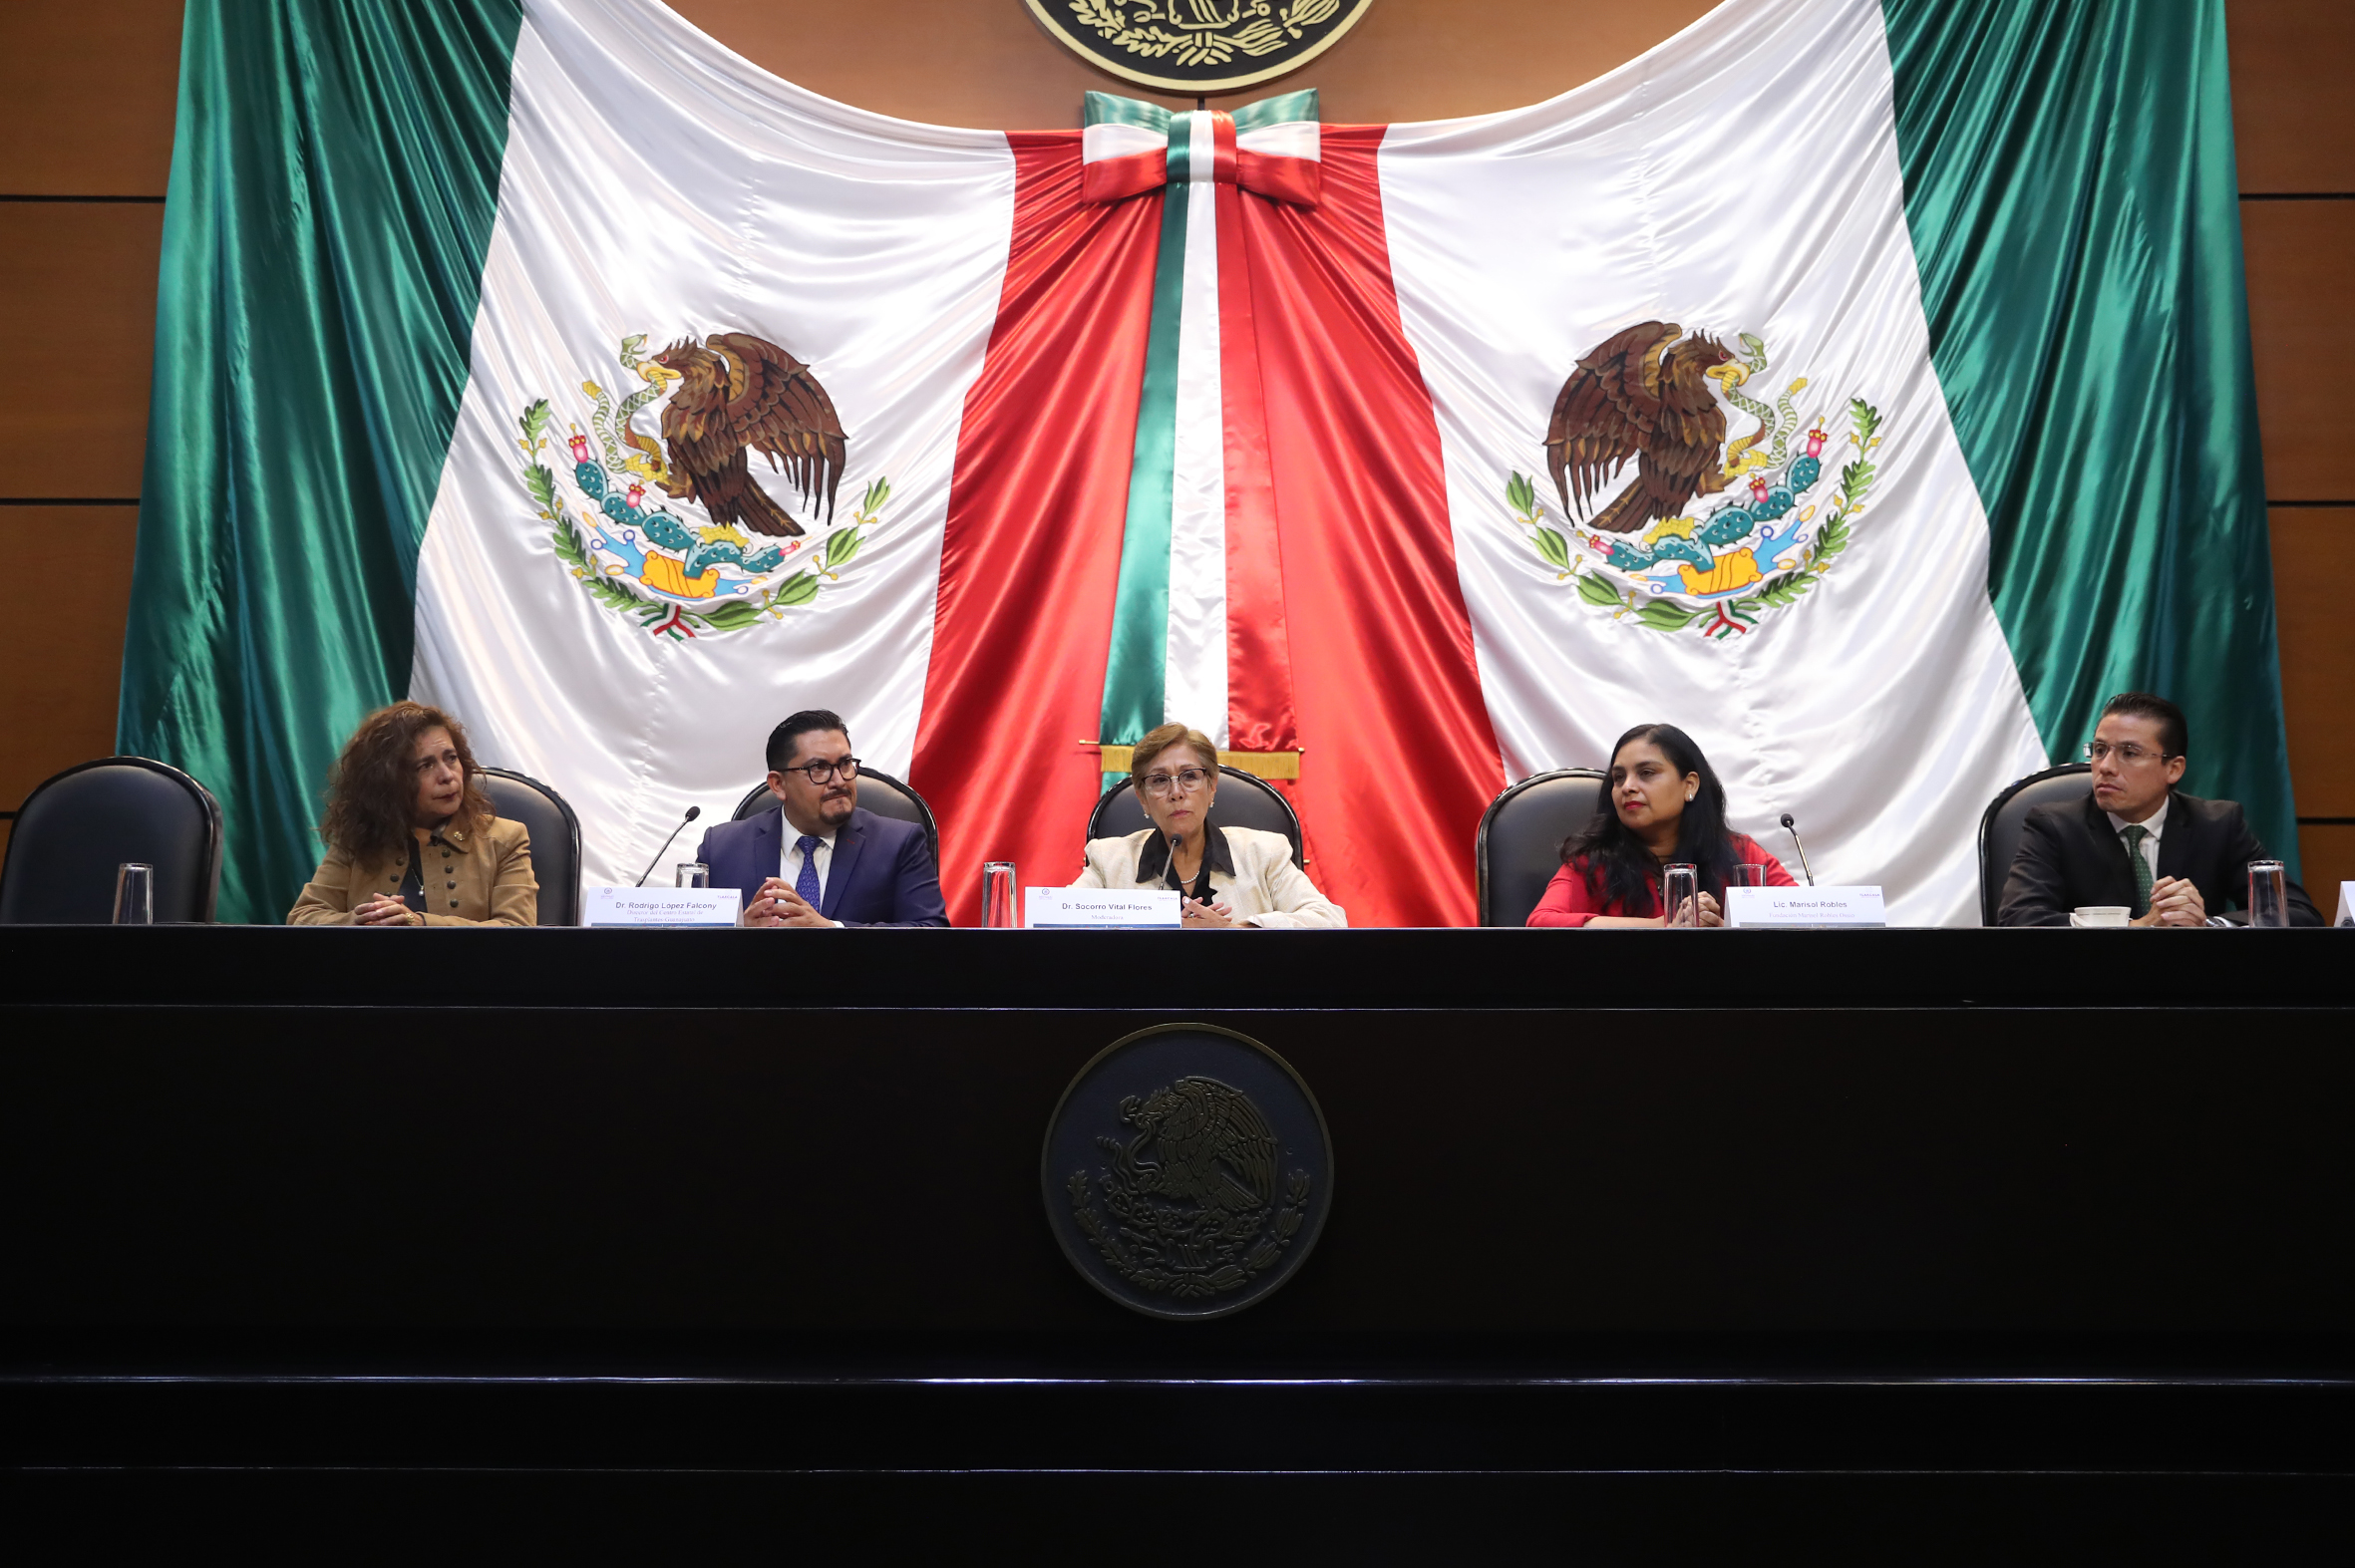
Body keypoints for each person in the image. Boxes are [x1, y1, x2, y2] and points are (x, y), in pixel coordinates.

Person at [1997, 692, 2320, 927]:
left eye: (2129, 753)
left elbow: (2296, 913)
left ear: (2173, 769)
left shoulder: (2218, 824)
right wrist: (2136, 928)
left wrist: (2208, 924)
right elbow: (2019, 919)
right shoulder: (2054, 826)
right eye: (2099, 749)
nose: (2105, 766)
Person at [1072, 722, 1345, 928]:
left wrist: (1236, 932)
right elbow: (1058, 922)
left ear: (1212, 786)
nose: (1176, 793)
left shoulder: (1264, 853)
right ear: (1143, 799)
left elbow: (1329, 920)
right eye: (1160, 780)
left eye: (1190, 776)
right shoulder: (1109, 860)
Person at [289, 702, 537, 926]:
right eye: (426, 765)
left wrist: (420, 923)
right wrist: (358, 921)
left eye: (451, 758)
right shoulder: (358, 839)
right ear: (389, 780)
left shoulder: (506, 839)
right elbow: (303, 917)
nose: (447, 776)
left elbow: (517, 930)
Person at [694, 709, 947, 928]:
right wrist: (737, 932)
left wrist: (831, 929)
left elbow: (932, 933)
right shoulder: (721, 848)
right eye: (819, 768)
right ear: (778, 784)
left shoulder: (898, 843)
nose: (839, 781)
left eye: (845, 763)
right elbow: (688, 939)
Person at [1526, 722, 1794, 927]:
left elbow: (1802, 917)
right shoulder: (1592, 861)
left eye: (1646, 773)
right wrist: (1662, 926)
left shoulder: (1740, 854)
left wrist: (1723, 933)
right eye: (1619, 778)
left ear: (1689, 785)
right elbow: (1541, 924)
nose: (1627, 787)